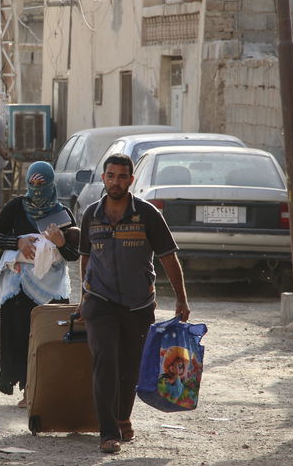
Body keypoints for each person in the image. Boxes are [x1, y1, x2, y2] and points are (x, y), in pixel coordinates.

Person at [78, 153, 190, 454]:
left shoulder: (148, 214)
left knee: (130, 366)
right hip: (99, 301)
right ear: (103, 178)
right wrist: (83, 298)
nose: (116, 181)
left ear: (131, 180)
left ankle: (123, 417)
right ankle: (108, 432)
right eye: (111, 175)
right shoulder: (91, 214)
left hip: (139, 304)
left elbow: (168, 256)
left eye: (122, 176)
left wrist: (181, 298)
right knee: (105, 361)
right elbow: (85, 258)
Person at [0, 161, 80, 405]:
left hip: (51, 289)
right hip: (18, 288)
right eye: (32, 183)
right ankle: (28, 390)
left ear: (51, 185)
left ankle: (46, 390)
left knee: (49, 338)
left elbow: (73, 254)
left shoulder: (62, 214)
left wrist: (60, 243)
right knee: (19, 338)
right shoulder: (16, 207)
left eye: (42, 184)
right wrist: (18, 242)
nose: (37, 189)